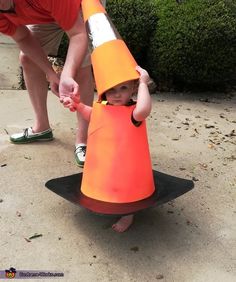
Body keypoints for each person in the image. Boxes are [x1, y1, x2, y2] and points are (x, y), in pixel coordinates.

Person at [0, 0, 106, 167]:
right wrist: (51, 74)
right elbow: (23, 36)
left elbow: (78, 34)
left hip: (79, 4)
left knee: (80, 68)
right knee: (28, 59)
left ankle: (83, 141)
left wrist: (67, 75)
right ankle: (42, 127)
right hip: (46, 9)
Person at [62, 66, 152, 232]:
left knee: (127, 192)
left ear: (132, 88)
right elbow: (93, 115)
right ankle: (102, 197)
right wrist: (77, 104)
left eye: (123, 88)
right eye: (111, 90)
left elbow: (144, 110)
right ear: (102, 90)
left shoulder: (134, 112)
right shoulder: (102, 105)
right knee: (110, 185)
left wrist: (143, 84)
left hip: (127, 169)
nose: (116, 94)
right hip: (107, 165)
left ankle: (128, 215)